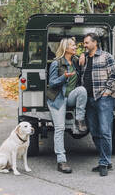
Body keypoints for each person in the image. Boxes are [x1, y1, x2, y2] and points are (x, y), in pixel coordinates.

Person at [46, 37, 88, 174]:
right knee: (60, 128)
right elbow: (51, 83)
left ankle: (79, 119)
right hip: (57, 98)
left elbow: (89, 57)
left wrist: (84, 54)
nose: (75, 47)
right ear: (65, 47)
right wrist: (64, 77)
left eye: (75, 45)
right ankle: (61, 161)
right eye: (72, 45)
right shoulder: (56, 63)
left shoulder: (75, 61)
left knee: (82, 90)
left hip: (70, 97)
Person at [80, 32, 115, 177]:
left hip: (103, 99)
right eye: (84, 43)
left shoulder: (106, 56)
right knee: (95, 131)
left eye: (86, 42)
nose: (84, 45)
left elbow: (114, 75)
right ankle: (106, 160)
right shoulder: (84, 57)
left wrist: (107, 92)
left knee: (105, 131)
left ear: (95, 43)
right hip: (89, 99)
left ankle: (103, 163)